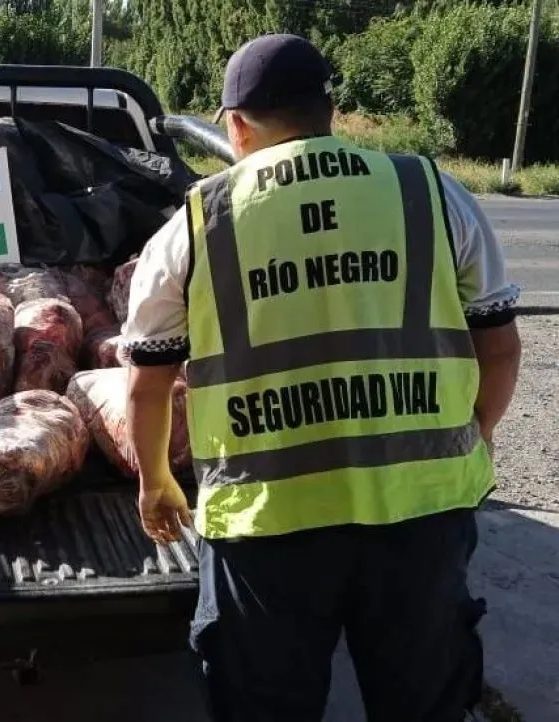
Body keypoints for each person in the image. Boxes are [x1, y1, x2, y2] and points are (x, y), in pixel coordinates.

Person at [120, 33, 522, 722]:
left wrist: (156, 480)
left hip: (266, 529)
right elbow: (501, 348)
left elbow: (147, 382)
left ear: (237, 125)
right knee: (422, 703)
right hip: (420, 518)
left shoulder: (197, 220)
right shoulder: (429, 190)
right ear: (329, 110)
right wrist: (472, 435)